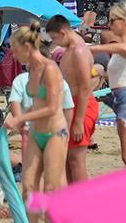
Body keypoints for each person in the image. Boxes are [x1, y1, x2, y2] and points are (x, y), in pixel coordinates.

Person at [4, 24, 68, 195]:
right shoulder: (32, 71)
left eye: (15, 51)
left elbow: (53, 107)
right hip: (36, 131)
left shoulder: (50, 69)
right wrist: (20, 119)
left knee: (51, 187)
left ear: (27, 47)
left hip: (55, 132)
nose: (14, 57)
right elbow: (37, 102)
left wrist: (19, 118)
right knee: (28, 186)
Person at [90, 3, 126, 168]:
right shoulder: (125, 43)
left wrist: (94, 49)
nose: (109, 25)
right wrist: (99, 73)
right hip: (125, 98)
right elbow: (121, 73)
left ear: (123, 21)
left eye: (112, 20)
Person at [44, 15, 96, 183]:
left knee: (76, 159)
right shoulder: (71, 49)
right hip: (72, 105)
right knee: (67, 157)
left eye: (55, 38)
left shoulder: (78, 50)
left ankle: (82, 203)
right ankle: (72, 200)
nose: (55, 43)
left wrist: (79, 121)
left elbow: (85, 86)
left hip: (82, 105)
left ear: (64, 32)